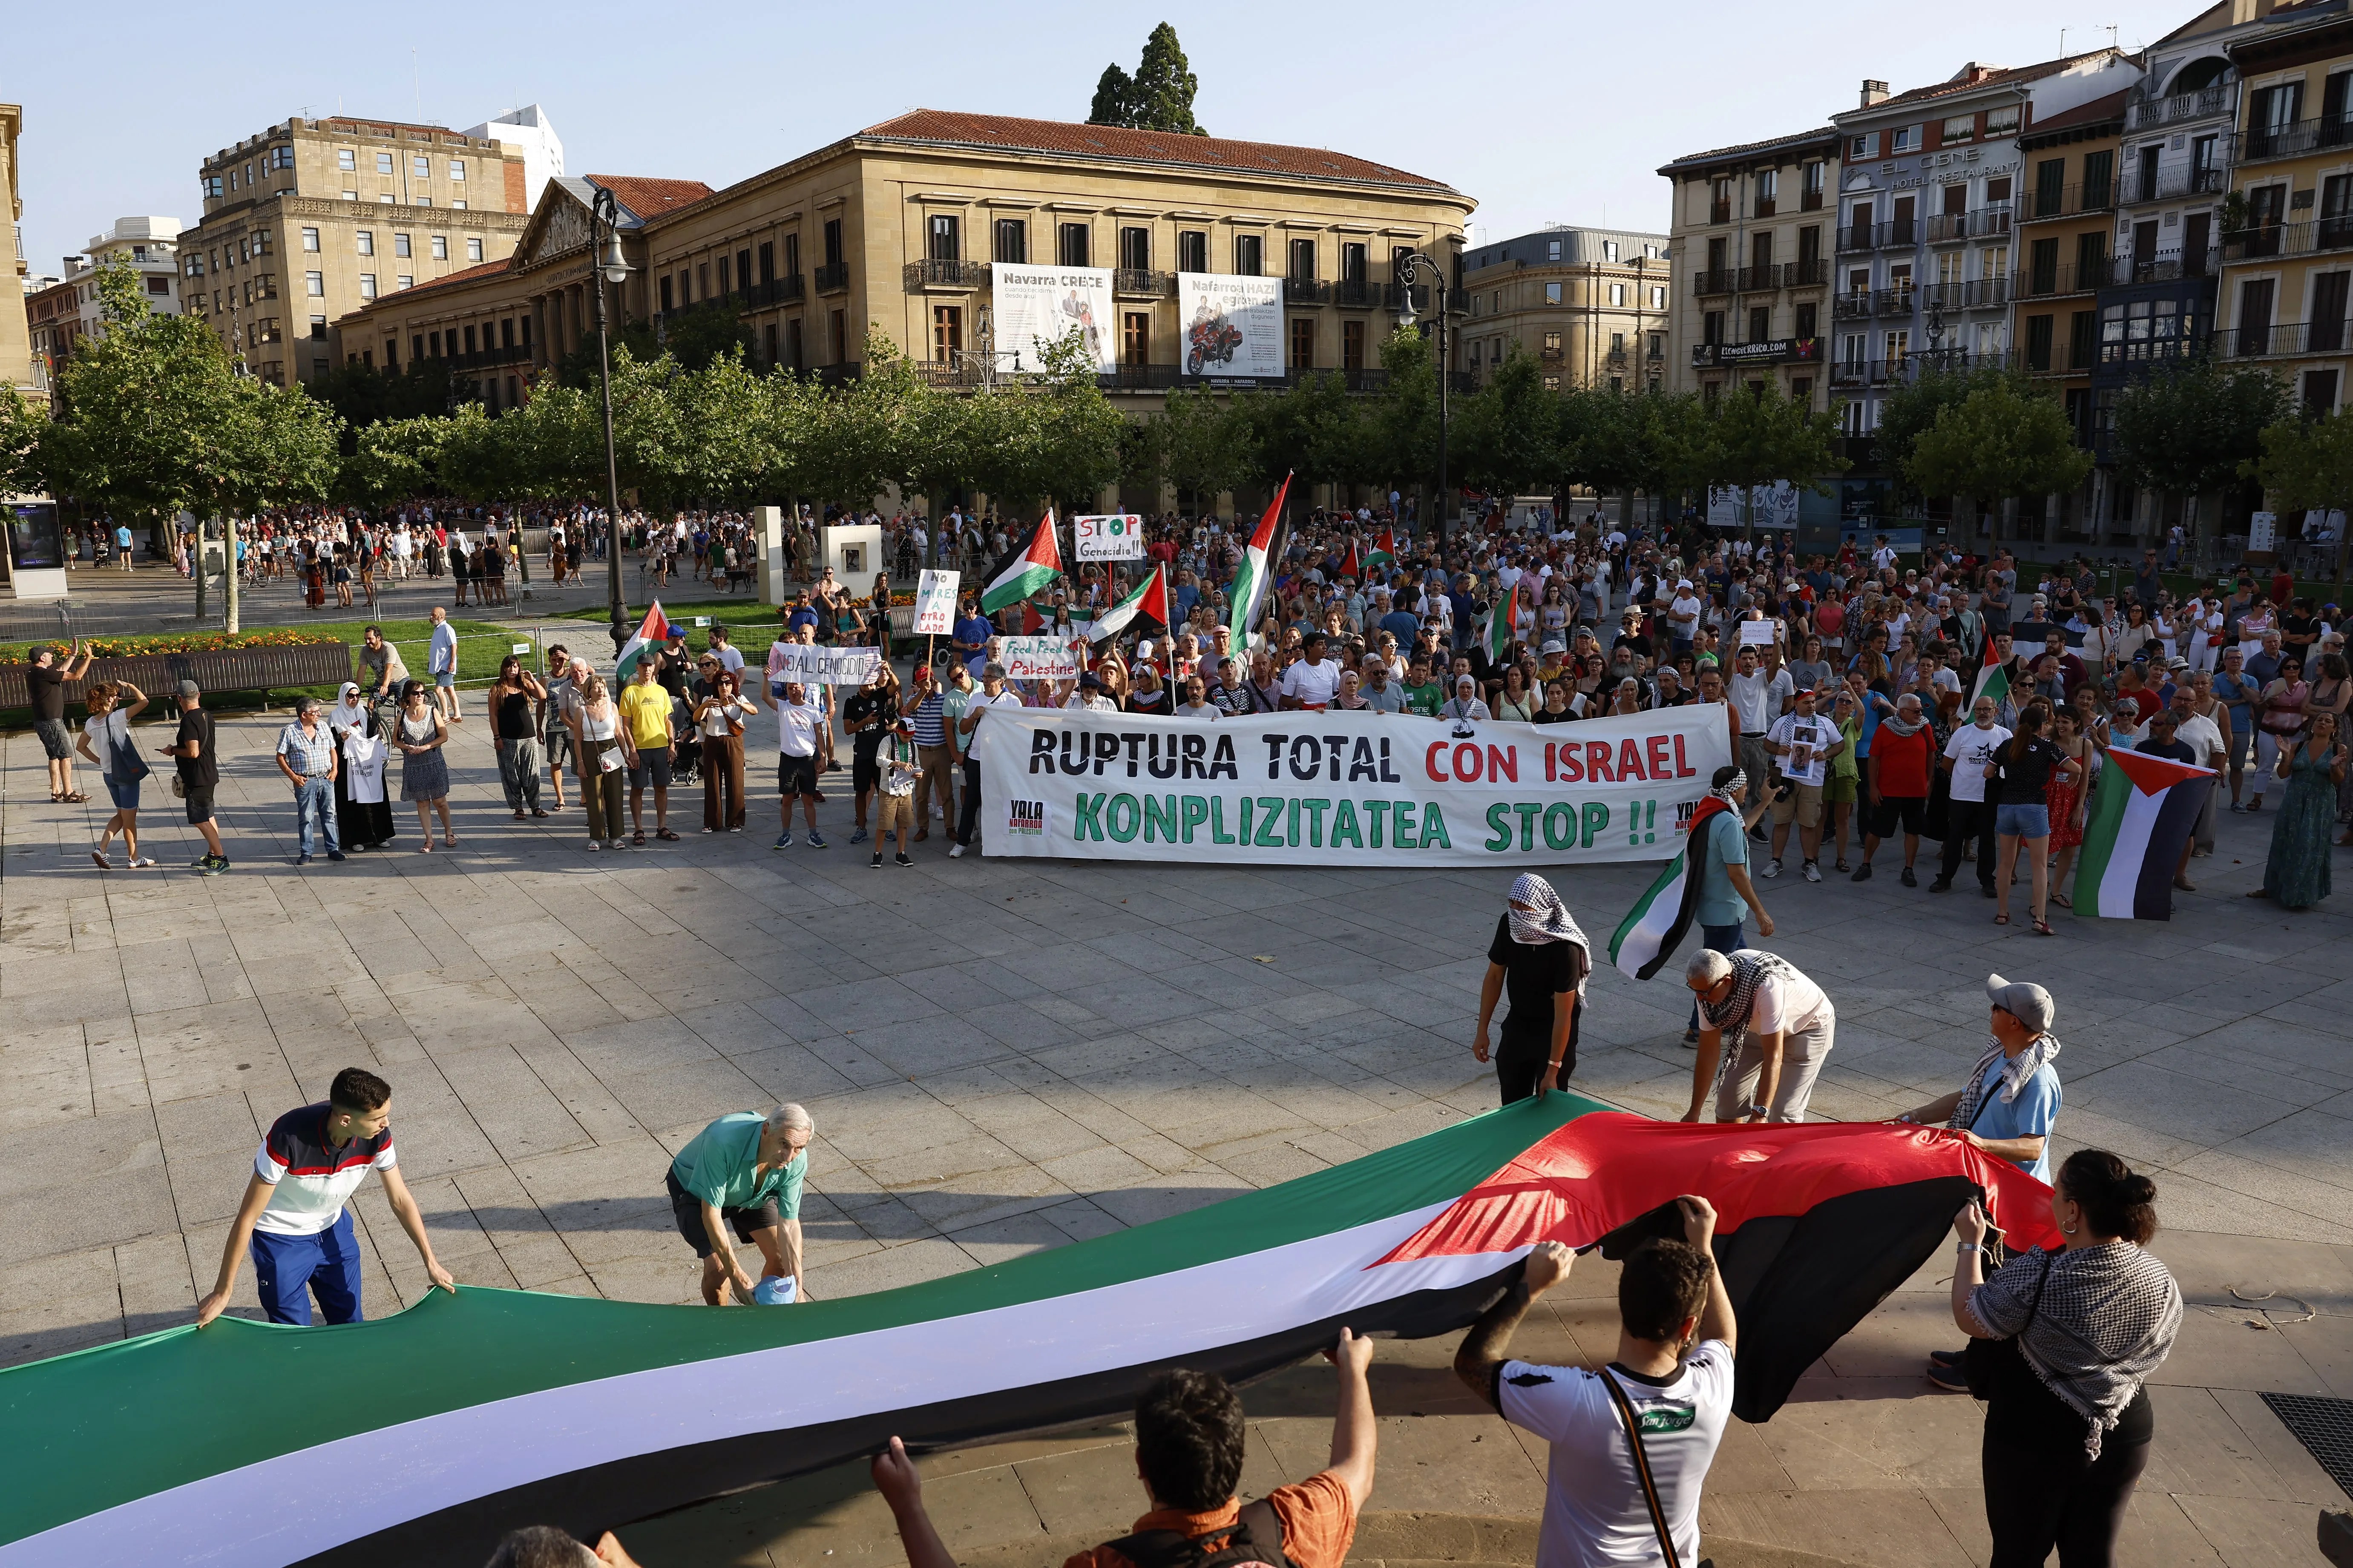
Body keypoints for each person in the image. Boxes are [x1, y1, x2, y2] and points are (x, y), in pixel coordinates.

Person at [878, 1330, 1375, 1568]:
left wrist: (908, 1506)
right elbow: (1357, 1469)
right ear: (1237, 1453)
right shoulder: (1295, 1524)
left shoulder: (1108, 1567)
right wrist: (1353, 1370)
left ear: (1141, 1465)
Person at [1453, 1202, 1734, 1568]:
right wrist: (1704, 1247)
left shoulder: (1575, 1399)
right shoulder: (1712, 1386)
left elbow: (1473, 1363)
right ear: (1687, 1326)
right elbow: (1724, 1337)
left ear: (1623, 1304)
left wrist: (1532, 1286)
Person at [1949, 1151, 2180, 1567]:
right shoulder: (2158, 1276)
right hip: (2124, 1433)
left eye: (2056, 1192)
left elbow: (1972, 1313)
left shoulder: (2039, 1274)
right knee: (2092, 1555)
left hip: (2033, 1437)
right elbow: (2157, 1348)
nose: (2052, 1199)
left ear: (2072, 1209)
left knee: (2018, 1554)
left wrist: (1970, 1243)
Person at [195, 1067, 456, 1327]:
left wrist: (431, 1262)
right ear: (345, 1120)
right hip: (280, 1240)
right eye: (378, 1118)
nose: (386, 1123)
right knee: (295, 1335)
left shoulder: (377, 1136)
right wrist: (223, 1291)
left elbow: (400, 1199)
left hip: (334, 1230)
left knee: (351, 1324)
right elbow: (248, 1216)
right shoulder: (288, 1137)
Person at [667, 1104, 814, 1307]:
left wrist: (797, 1286)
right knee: (719, 1270)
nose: (789, 1158)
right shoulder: (722, 1141)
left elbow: (789, 1224)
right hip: (696, 1191)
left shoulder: (796, 1160)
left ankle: (761, 1316)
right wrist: (736, 1274)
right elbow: (711, 1214)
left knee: (781, 1260)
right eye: (784, 1144)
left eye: (798, 1148)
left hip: (750, 1193)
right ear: (766, 1131)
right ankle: (722, 1327)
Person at [1683, 947, 1835, 1123]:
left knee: (1782, 1115)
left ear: (1726, 981)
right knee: (1728, 1101)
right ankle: (1732, 1149)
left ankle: (1774, 1150)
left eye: (1704, 993)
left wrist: (1759, 1113)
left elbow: (1774, 1056)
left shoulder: (1767, 987)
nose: (1700, 999)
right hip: (1756, 1026)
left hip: (1807, 1027)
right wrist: (1694, 1112)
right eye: (1695, 991)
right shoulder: (1707, 989)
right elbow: (1708, 1052)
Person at [1473, 875, 1589, 1105]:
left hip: (1554, 1031)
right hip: (1519, 1023)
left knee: (1549, 1108)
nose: (1516, 911)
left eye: (1523, 906)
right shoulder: (1509, 924)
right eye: (1512, 904)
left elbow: (1563, 1016)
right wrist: (1482, 1030)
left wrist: (1553, 1071)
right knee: (1512, 1102)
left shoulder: (1566, 948)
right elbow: (1495, 977)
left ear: (1540, 908)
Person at [1989, 705, 2078, 935]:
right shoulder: (2047, 747)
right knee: (2039, 866)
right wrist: (2073, 777)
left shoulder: (2008, 745)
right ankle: (2040, 918)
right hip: (2034, 807)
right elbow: (2075, 767)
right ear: (2043, 725)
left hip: (2007, 806)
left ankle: (2002, 912)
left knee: (2006, 864)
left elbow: (1987, 773)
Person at [2250, 710, 2344, 909]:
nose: (2323, 723)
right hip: (2294, 800)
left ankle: (2301, 894)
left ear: (2334, 729)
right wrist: (2286, 757)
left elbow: (2338, 781)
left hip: (2320, 803)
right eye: (2320, 720)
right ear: (2313, 724)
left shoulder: (2338, 748)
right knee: (2284, 842)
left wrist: (2335, 767)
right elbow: (2284, 774)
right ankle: (2272, 888)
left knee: (2309, 846)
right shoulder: (2299, 745)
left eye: (2328, 721)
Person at [1762, 684, 1844, 882]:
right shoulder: (1782, 722)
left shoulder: (1825, 723)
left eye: (1813, 702)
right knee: (1782, 822)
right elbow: (1767, 743)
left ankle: (1810, 863)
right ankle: (1776, 861)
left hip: (1813, 781)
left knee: (1809, 824)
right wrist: (1777, 750)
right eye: (1806, 703)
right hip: (1785, 779)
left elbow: (1840, 744)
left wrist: (1826, 754)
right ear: (1796, 704)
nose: (1811, 706)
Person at [1934, 695, 2011, 896]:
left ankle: (1987, 881)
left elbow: (2010, 766)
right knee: (1955, 838)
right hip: (1962, 795)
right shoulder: (1962, 733)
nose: (1982, 713)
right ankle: (1946, 878)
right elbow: (1946, 763)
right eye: (1978, 710)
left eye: (1987, 709)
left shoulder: (2005, 735)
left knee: (1987, 840)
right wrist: (1964, 779)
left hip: (1989, 798)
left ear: (1996, 711)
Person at [1854, 692, 1933, 885]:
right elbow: (1874, 758)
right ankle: (1866, 864)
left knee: (1912, 831)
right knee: (1876, 830)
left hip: (1915, 791)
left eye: (1921, 710)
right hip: (1888, 791)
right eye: (1916, 711)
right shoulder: (1886, 728)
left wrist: (1929, 781)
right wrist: (1873, 788)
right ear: (1903, 711)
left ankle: (1909, 869)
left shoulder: (1924, 727)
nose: (1920, 713)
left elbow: (1931, 754)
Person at [78, 679, 156, 868]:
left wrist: (100, 761)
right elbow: (144, 702)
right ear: (112, 699)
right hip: (126, 775)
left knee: (122, 815)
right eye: (118, 695)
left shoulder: (91, 723)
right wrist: (133, 687)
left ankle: (102, 850)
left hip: (109, 775)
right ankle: (133, 858)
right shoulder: (118, 717)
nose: (119, 698)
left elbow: (81, 747)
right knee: (130, 820)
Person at [953, 661, 1024, 856]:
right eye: (984, 677)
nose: (985, 681)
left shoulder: (1012, 702)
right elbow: (963, 728)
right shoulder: (976, 699)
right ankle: (962, 841)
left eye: (989, 677)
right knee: (971, 801)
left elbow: (1019, 731)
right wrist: (975, 716)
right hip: (977, 757)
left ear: (1001, 681)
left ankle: (1001, 840)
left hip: (1001, 760)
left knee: (1001, 800)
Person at [160, 679, 230, 874]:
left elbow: (193, 752)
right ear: (199, 695)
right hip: (209, 773)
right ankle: (213, 855)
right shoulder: (207, 715)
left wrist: (172, 750)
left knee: (200, 819)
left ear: (179, 698)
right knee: (208, 815)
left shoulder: (189, 720)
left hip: (197, 777)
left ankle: (221, 859)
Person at [273, 694, 344, 866]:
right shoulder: (289, 732)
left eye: (319, 711)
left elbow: (332, 750)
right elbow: (280, 757)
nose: (319, 714)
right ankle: (307, 851)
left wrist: (335, 770)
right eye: (315, 712)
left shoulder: (324, 728)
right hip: (305, 782)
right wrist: (293, 776)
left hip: (326, 778)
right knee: (306, 818)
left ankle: (332, 848)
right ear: (304, 715)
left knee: (329, 815)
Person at [327, 681, 397, 852]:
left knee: (374, 797)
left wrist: (376, 730)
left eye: (358, 696)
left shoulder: (364, 712)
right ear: (343, 697)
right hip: (348, 766)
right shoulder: (335, 716)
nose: (355, 699)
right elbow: (329, 742)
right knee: (352, 800)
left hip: (367, 763)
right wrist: (340, 738)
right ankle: (355, 838)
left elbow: (372, 732)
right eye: (351, 696)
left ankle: (379, 835)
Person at [618, 657, 680, 846]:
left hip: (661, 747)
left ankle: (662, 826)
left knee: (661, 787)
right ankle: (638, 829)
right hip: (640, 750)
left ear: (655, 668)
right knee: (638, 789)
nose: (647, 669)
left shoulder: (661, 692)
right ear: (637, 668)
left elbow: (667, 720)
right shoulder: (630, 692)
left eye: (650, 666)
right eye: (643, 666)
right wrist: (632, 750)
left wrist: (671, 745)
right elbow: (626, 725)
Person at [391, 678, 456, 852]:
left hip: (433, 762)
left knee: (440, 801)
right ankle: (429, 840)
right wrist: (408, 747)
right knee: (422, 803)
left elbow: (444, 736)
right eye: (416, 693)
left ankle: (449, 832)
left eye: (422, 693)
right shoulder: (402, 715)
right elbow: (396, 741)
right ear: (408, 696)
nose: (420, 696)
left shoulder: (432, 712)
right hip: (414, 764)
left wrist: (427, 746)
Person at [30, 639, 96, 802]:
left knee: (54, 756)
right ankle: (69, 793)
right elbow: (77, 676)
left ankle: (56, 791)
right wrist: (88, 658)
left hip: (41, 721)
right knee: (66, 755)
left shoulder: (35, 673)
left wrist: (73, 655)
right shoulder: (44, 674)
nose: (52, 655)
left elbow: (59, 672)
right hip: (52, 722)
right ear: (42, 658)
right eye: (49, 654)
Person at [765, 678, 828, 848]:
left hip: (807, 760)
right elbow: (765, 697)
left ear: (804, 688)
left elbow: (819, 736)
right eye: (790, 688)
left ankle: (813, 835)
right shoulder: (783, 707)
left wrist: (822, 757)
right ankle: (786, 835)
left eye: (796, 688)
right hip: (788, 760)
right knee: (787, 800)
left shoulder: (814, 710)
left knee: (808, 800)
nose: (794, 691)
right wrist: (765, 678)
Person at [693, 669, 756, 832]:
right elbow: (696, 718)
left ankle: (736, 821)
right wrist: (705, 705)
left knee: (735, 781)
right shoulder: (710, 699)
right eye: (720, 683)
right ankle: (712, 822)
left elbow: (754, 711)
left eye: (728, 683)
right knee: (712, 783)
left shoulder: (739, 699)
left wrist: (739, 704)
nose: (724, 686)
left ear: (733, 685)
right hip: (713, 742)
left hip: (733, 742)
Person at [574, 674, 628, 851]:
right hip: (590, 751)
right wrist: (580, 762)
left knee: (615, 793)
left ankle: (616, 836)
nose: (600, 690)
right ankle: (596, 837)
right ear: (588, 691)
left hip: (611, 750)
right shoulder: (581, 711)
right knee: (593, 795)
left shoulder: (612, 707)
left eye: (603, 687)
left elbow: (619, 733)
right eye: (596, 687)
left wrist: (626, 755)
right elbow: (578, 740)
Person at [874, 715, 919, 868]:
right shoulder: (887, 741)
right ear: (899, 731)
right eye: (906, 737)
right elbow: (879, 760)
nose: (908, 740)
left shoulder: (913, 745)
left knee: (904, 823)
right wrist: (897, 763)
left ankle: (901, 853)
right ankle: (878, 853)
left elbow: (917, 763)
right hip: (889, 790)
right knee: (884, 824)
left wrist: (919, 773)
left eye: (911, 737)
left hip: (905, 790)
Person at [427, 605, 462, 724]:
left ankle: (445, 715)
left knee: (438, 690)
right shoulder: (438, 629)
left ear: (441, 616)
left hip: (446, 666)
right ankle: (457, 715)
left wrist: (452, 662)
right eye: (432, 614)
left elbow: (454, 645)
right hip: (441, 665)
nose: (431, 617)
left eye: (434, 615)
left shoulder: (447, 629)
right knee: (450, 690)